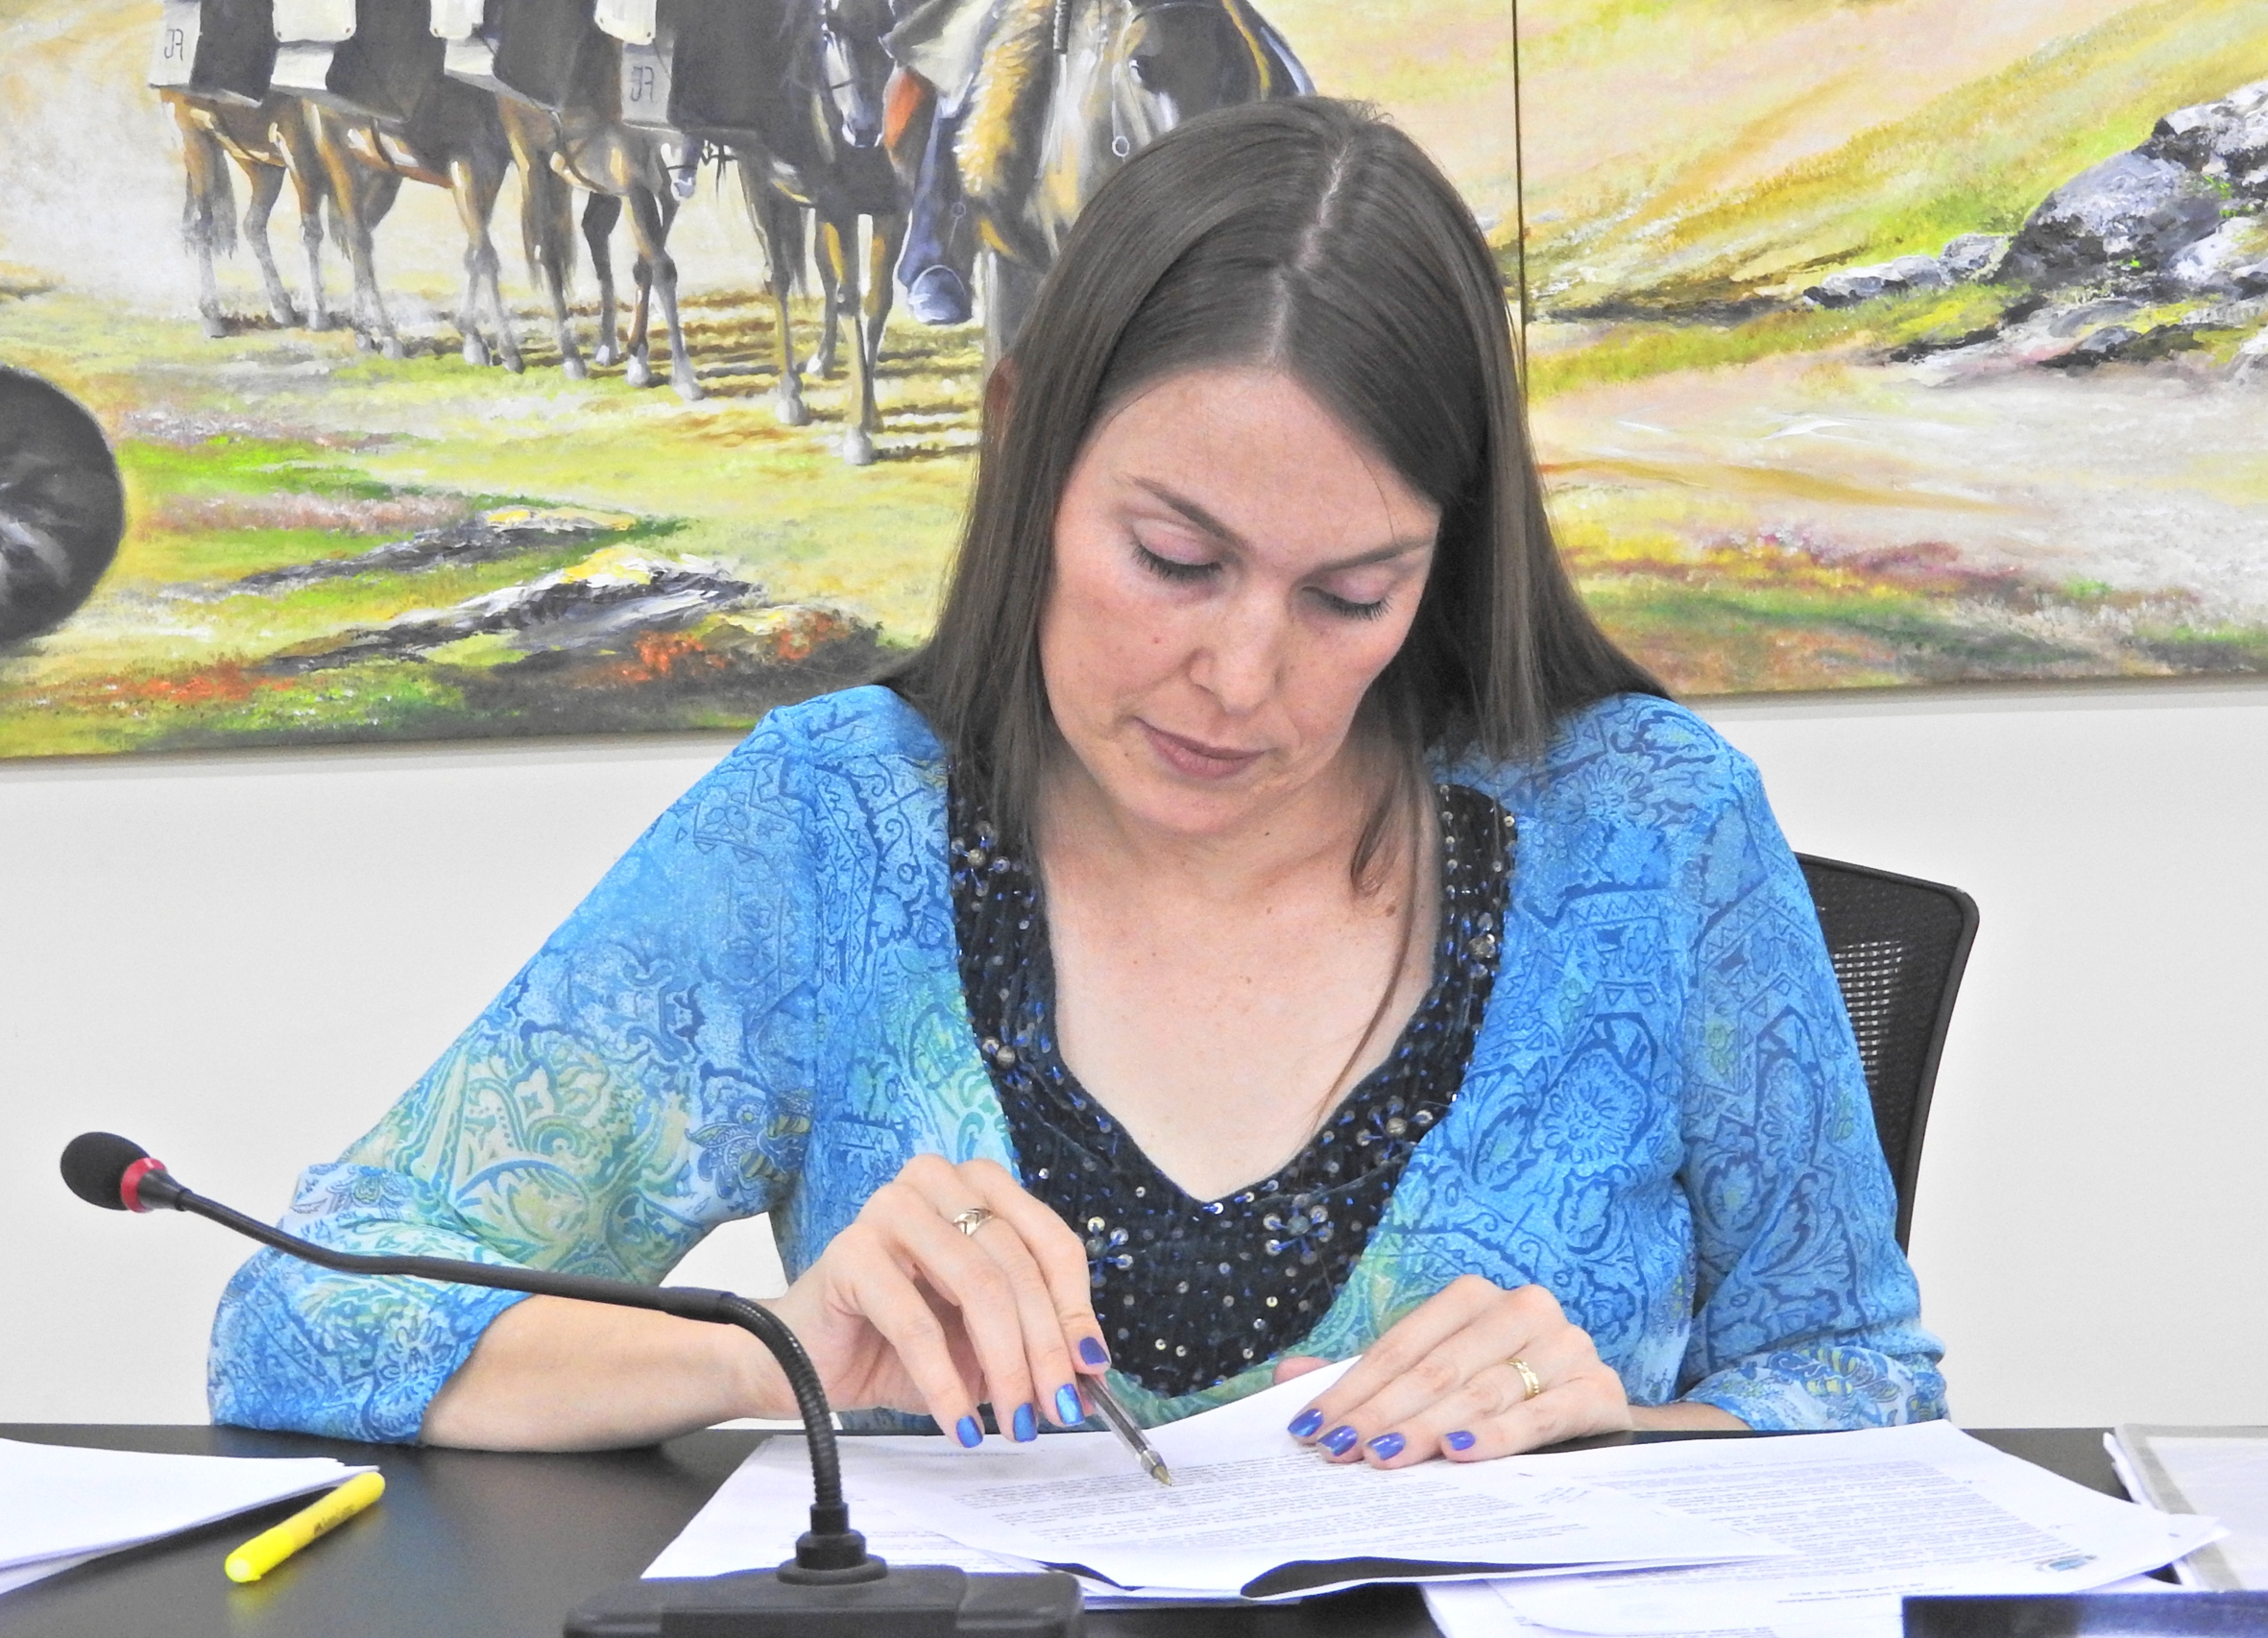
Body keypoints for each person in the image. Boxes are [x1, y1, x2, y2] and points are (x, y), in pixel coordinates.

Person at [209, 98, 1943, 1464]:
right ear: (1020, 446)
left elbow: (1860, 1381)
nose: (1241, 677)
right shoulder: (830, 829)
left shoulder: (1643, 828)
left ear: (1446, 559)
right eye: (1174, 559)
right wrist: (777, 1353)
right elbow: (300, 1323)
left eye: (1350, 596)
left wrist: (1621, 1434)